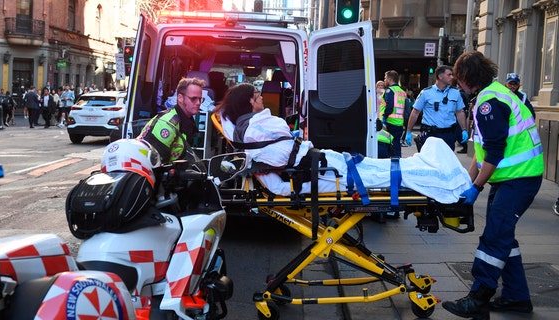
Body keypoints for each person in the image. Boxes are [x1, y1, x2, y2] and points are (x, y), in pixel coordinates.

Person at [214, 83, 472, 204]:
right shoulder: (257, 126)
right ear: (249, 102)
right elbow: (280, 141)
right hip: (320, 169)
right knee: (380, 173)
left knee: (378, 169)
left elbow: (278, 160)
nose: (262, 100)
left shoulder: (249, 133)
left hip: (318, 164)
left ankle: (437, 171)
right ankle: (444, 178)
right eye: (258, 96)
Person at [441, 51, 543, 319]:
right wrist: (469, 178)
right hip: (515, 177)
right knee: (504, 237)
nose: (457, 84)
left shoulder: (489, 102)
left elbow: (495, 151)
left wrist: (476, 187)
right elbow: (483, 150)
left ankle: (478, 298)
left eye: (458, 78)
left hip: (519, 179)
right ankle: (516, 297)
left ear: (465, 78)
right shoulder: (493, 94)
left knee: (495, 237)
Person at [137, 77, 206, 164]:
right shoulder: (167, 124)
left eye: (200, 99)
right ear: (180, 98)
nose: (198, 103)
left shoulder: (186, 121)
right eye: (193, 99)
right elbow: (153, 162)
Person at [405, 65, 468, 151]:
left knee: (446, 162)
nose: (452, 77)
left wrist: (464, 129)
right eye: (449, 75)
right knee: (429, 161)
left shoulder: (455, 93)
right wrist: (409, 131)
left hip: (448, 134)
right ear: (440, 76)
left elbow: (460, 112)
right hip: (430, 134)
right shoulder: (426, 93)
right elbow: (415, 112)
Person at [379, 70, 406, 157]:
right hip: (399, 122)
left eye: (385, 78)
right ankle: (398, 163)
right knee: (396, 145)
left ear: (390, 79)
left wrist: (384, 118)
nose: (384, 80)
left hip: (390, 122)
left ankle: (392, 164)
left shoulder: (390, 90)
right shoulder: (401, 91)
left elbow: (389, 106)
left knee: (388, 146)